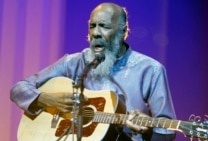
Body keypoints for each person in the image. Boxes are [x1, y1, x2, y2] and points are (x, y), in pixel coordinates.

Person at [10, 2, 176, 141]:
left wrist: (145, 130)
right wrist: (47, 99)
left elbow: (167, 130)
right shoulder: (74, 63)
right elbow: (18, 89)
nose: (96, 33)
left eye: (104, 26)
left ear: (123, 32)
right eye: (92, 26)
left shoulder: (150, 70)